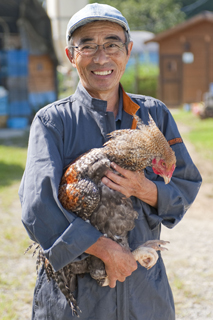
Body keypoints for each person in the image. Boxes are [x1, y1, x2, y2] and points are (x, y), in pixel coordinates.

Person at [19, 3, 202, 320]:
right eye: (87, 46)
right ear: (70, 55)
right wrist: (103, 249)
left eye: (112, 44)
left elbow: (185, 184)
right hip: (74, 296)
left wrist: (145, 188)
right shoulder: (53, 121)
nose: (101, 57)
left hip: (144, 294)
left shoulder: (153, 115)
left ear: (128, 51)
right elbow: (37, 207)